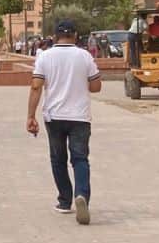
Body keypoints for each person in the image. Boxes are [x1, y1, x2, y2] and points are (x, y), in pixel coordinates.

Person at [26, 20, 102, 225]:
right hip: (79, 117)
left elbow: (36, 87)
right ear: (75, 35)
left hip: (54, 116)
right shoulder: (85, 56)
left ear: (55, 36)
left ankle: (65, 201)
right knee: (80, 159)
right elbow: (96, 87)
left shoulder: (45, 56)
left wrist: (30, 116)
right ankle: (82, 196)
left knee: (58, 159)